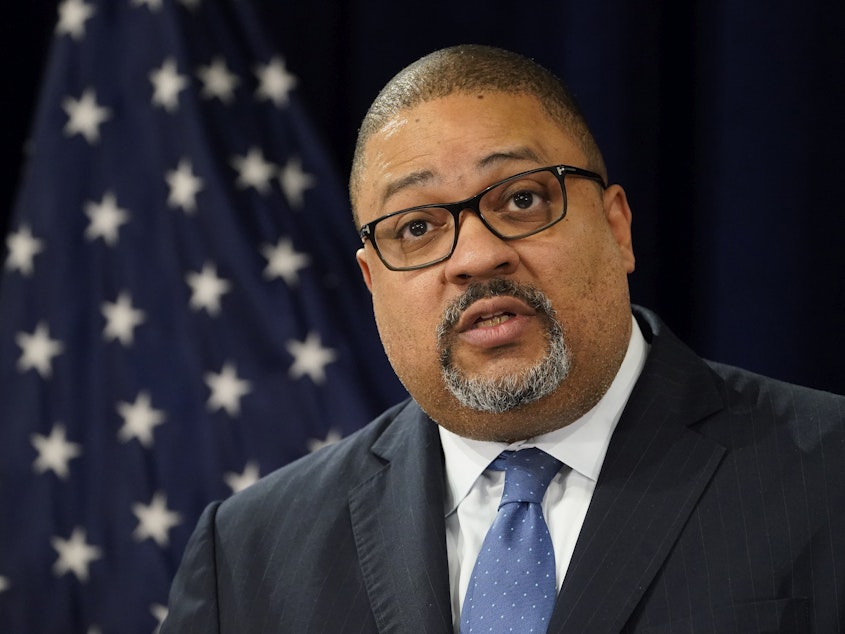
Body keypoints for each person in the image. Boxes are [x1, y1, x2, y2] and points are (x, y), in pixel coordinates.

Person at [161, 44, 845, 633]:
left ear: (616, 227)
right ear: (372, 282)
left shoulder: (826, 473)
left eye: (520, 199)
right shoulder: (248, 553)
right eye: (417, 227)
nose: (475, 256)